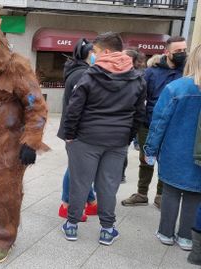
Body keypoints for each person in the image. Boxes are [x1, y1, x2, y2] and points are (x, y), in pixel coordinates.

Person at [62, 32, 146, 245]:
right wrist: (126, 137)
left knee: (80, 183)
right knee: (108, 186)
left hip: (86, 139)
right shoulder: (137, 78)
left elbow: (74, 109)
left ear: (106, 51)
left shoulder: (89, 75)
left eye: (96, 51)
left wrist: (70, 135)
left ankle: (72, 225)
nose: (94, 55)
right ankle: (107, 229)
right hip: (117, 140)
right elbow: (139, 114)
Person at [144, 44, 201, 251]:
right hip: (199, 157)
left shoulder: (176, 88)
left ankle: (166, 232)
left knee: (171, 192)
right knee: (195, 194)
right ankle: (186, 237)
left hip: (174, 151)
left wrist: (150, 149)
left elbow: (159, 123)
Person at [121, 36, 187, 209]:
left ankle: (160, 195)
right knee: (146, 158)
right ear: (167, 52)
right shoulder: (152, 72)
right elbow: (142, 96)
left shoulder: (187, 72)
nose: (182, 54)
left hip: (174, 126)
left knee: (165, 160)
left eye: (184, 50)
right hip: (148, 123)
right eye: (177, 51)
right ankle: (142, 194)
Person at [57, 38, 98, 222]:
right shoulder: (82, 74)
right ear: (87, 54)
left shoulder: (77, 71)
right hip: (78, 131)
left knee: (81, 168)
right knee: (76, 169)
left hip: (75, 130)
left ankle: (91, 201)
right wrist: (72, 133)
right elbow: (77, 108)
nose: (96, 55)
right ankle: (66, 205)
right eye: (94, 52)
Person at [120, 47, 147, 183]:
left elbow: (139, 109)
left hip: (127, 123)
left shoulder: (139, 79)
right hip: (122, 124)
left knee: (122, 150)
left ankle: (121, 174)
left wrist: (132, 132)